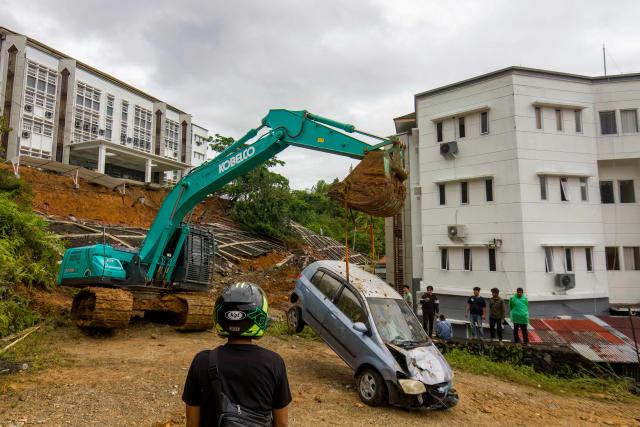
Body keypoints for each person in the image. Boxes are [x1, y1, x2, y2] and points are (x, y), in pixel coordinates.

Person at [182, 282, 291, 427]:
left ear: (220, 316)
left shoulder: (202, 361)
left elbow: (192, 423)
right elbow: (281, 424)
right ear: (259, 317)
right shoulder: (274, 363)